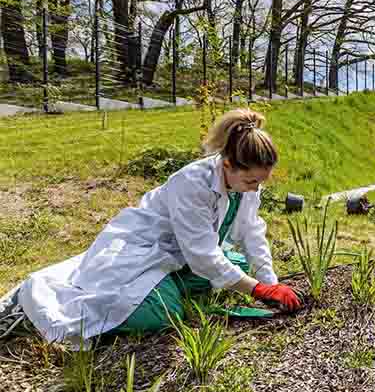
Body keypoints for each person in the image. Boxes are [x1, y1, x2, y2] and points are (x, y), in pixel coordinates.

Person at [1, 109, 302, 345]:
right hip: (140, 251)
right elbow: (202, 256)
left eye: (260, 182)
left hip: (181, 255)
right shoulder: (192, 184)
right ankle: (29, 311)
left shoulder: (246, 185)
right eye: (251, 181)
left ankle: (173, 284)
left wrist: (269, 282)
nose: (255, 189)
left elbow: (251, 231)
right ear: (226, 165)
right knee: (165, 312)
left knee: (234, 264)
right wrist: (257, 289)